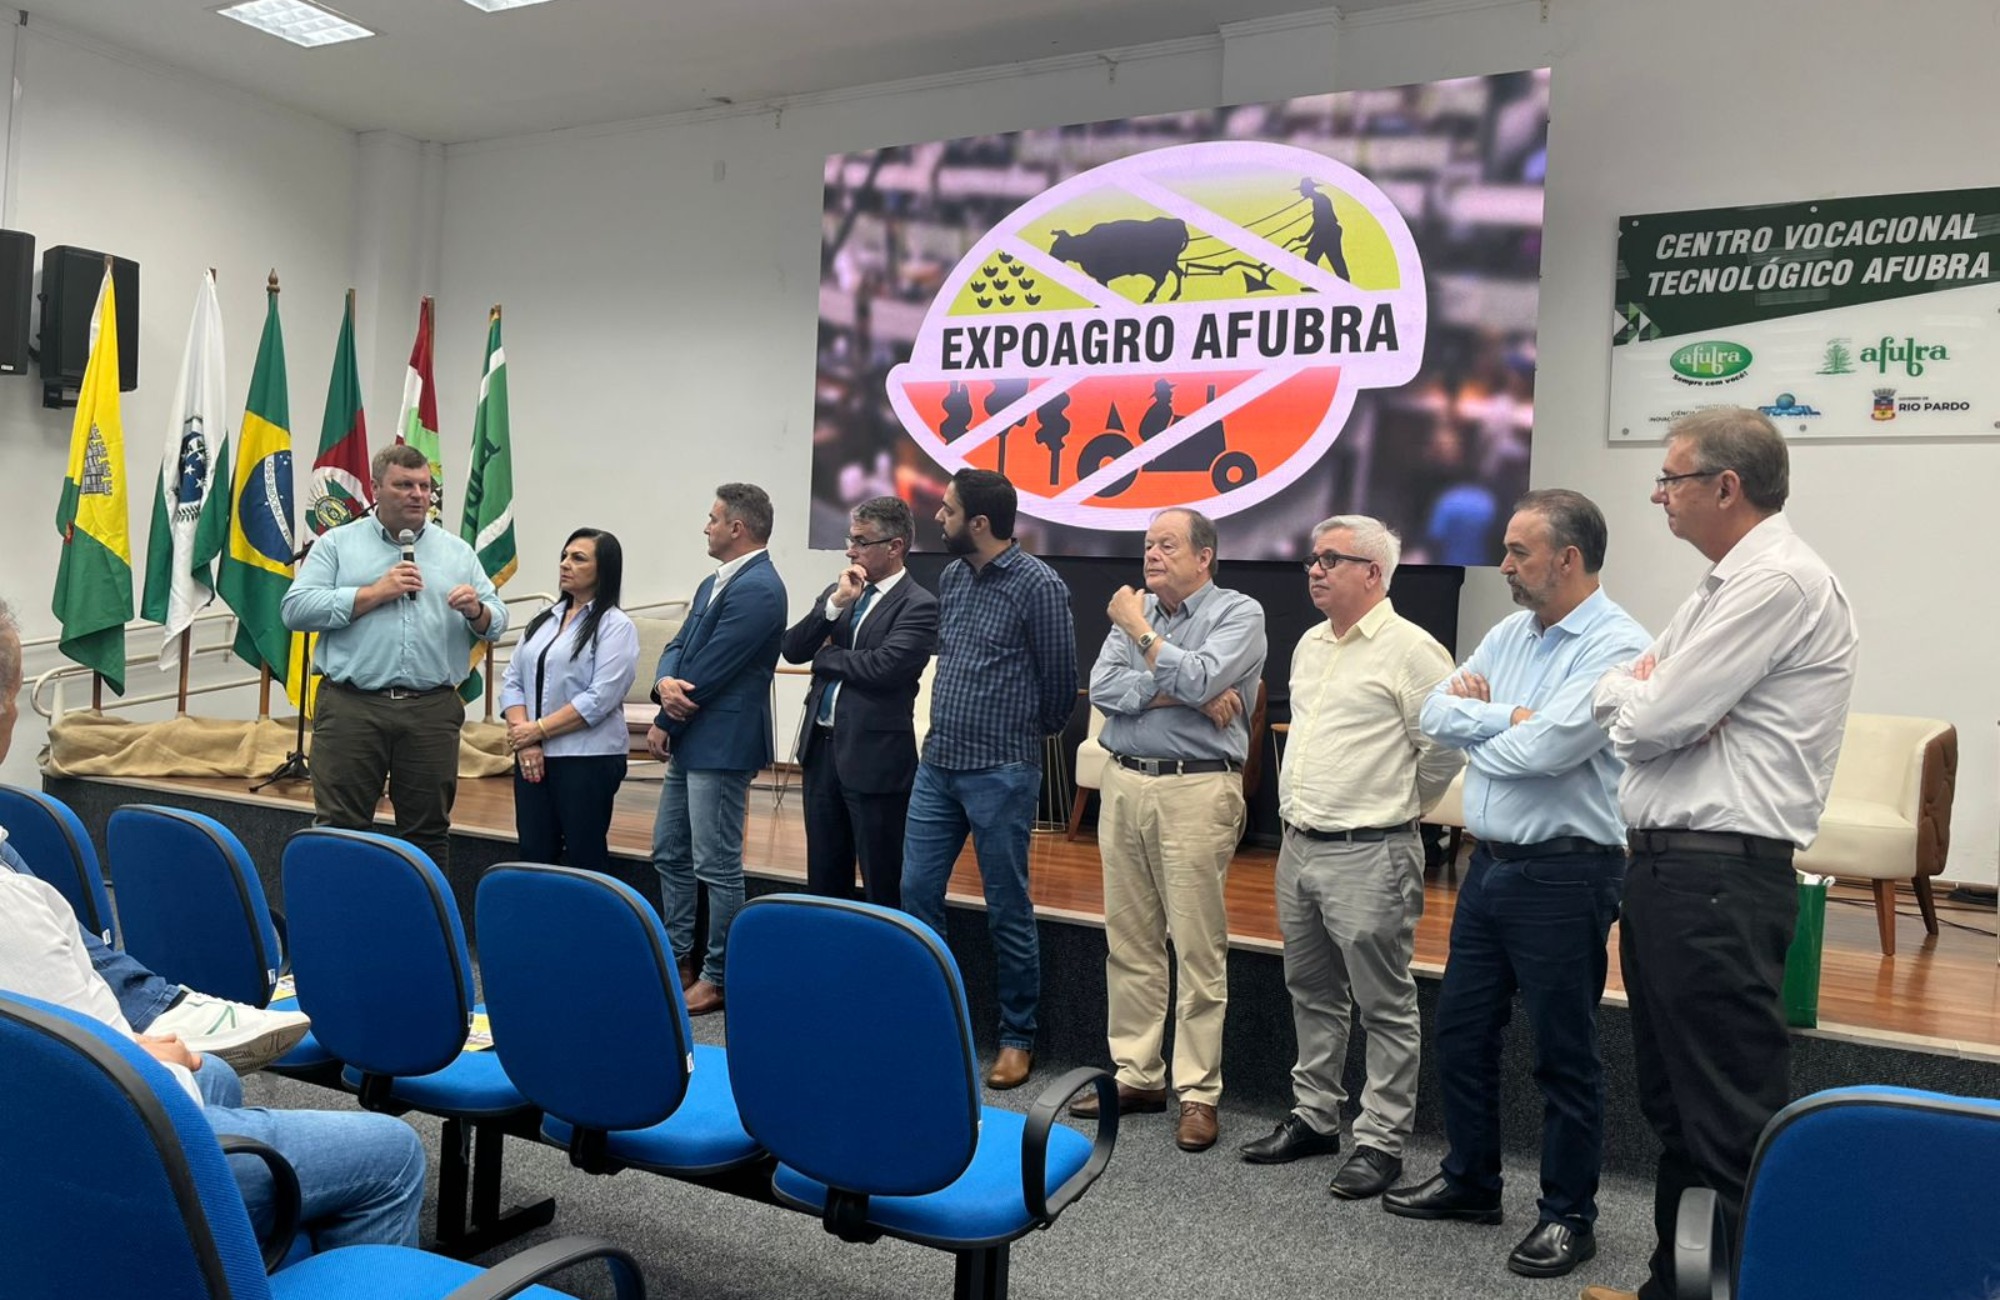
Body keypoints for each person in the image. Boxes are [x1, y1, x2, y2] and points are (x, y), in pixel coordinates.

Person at [0, 597, 420, 1251]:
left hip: (52, 1140)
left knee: (217, 1075)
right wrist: (145, 1058)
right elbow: (106, 1095)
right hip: (99, 1172)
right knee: (394, 1153)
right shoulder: (13, 911)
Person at [1586, 408, 1858, 1300]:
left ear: (1727, 486)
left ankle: (1746, 1289)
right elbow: (1632, 698)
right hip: (1674, 873)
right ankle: (1675, 1287)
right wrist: (1639, 696)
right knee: (1677, 1109)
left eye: (1671, 478)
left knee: (1726, 1124)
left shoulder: (1775, 581)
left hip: (1716, 879)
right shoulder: (1724, 583)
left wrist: (1643, 699)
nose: (1658, 495)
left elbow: (1650, 720)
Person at [1386, 490, 1649, 1279]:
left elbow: (1549, 752)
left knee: (1564, 1054)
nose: (1502, 564)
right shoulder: (1510, 632)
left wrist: (1491, 724)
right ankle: (1471, 1181)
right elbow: (1433, 714)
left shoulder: (1617, 644)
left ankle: (1569, 1216)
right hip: (1490, 865)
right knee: (1462, 1033)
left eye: (1517, 551)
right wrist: (1511, 718)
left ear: (1567, 558)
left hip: (1567, 873)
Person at [1241, 515, 1461, 1201]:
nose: (1315, 569)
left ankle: (1381, 1141)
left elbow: (1444, 749)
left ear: (1373, 572)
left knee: (1384, 1004)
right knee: (1312, 991)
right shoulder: (1311, 643)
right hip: (1300, 846)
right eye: (1313, 557)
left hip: (1372, 851)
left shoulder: (1413, 651)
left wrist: (1397, 808)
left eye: (1331, 559)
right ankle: (1315, 1117)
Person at [1075, 508, 1265, 1153]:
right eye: (1148, 544)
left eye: (1167, 545)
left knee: (1196, 947)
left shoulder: (1239, 613)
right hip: (1125, 781)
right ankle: (1137, 1075)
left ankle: (1198, 1092)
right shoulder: (1140, 609)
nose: (1151, 554)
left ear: (1204, 556)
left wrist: (1140, 632)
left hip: (1197, 787)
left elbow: (1207, 676)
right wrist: (1182, 690)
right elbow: (1103, 688)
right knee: (1129, 940)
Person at [900, 469, 1076, 1091]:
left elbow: (1060, 683)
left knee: (1007, 906)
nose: (938, 518)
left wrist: (1019, 739)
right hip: (939, 763)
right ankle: (933, 1020)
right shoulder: (952, 576)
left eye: (947, 510)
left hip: (1002, 771)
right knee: (916, 892)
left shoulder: (1039, 584)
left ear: (979, 522)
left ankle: (1016, 1036)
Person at [280, 444, 507, 873]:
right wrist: (372, 594)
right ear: (375, 488)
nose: (418, 495)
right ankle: (342, 912)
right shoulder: (338, 544)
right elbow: (295, 610)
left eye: (424, 486)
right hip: (352, 706)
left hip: (431, 709)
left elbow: (497, 621)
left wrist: (477, 611)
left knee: (428, 832)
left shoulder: (457, 552)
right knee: (340, 828)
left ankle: (422, 914)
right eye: (404, 485)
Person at [647, 484, 787, 1016]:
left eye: (712, 519)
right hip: (693, 737)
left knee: (717, 863)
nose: (705, 527)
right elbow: (678, 646)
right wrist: (663, 683)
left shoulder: (761, 587)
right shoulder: (714, 581)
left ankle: (718, 975)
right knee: (669, 850)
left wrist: (666, 715)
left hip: (723, 743)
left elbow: (712, 667)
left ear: (737, 527)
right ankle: (678, 956)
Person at [780, 496, 938, 908]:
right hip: (821, 752)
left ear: (895, 546)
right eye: (850, 539)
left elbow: (885, 668)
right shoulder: (842, 592)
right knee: (824, 880)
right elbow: (793, 649)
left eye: (861, 542)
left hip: (875, 759)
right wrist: (834, 606)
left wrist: (827, 658)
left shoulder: (918, 604)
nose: (851, 551)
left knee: (882, 881)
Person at [499, 528, 640, 872]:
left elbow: (600, 698)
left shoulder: (615, 626)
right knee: (534, 851)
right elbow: (513, 680)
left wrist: (536, 731)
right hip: (532, 755)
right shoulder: (543, 619)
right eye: (564, 556)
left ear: (603, 569)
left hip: (587, 758)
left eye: (578, 558)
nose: (565, 564)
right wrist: (527, 740)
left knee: (583, 856)